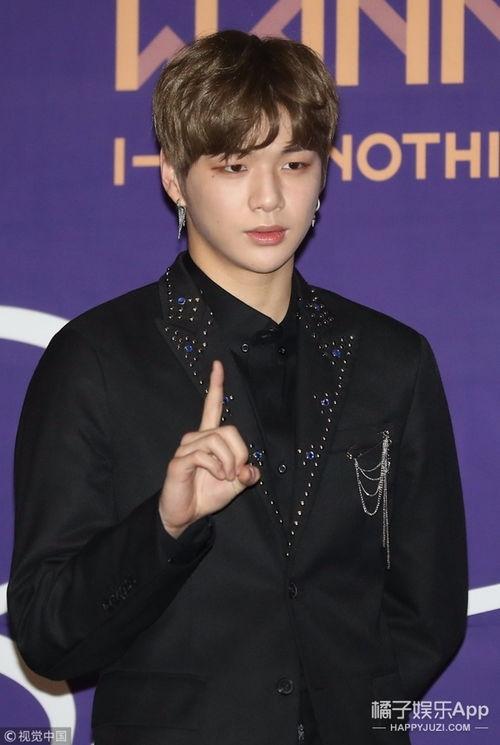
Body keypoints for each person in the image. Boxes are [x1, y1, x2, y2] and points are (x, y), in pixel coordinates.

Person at [7, 29, 468, 745]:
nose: (269, 197)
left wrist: (351, 714)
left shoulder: (392, 360)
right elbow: (45, 633)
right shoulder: (95, 359)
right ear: (174, 178)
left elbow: (429, 607)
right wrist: (165, 527)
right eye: (233, 165)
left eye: (295, 163)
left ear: (322, 174)